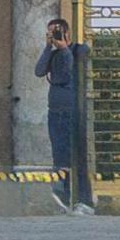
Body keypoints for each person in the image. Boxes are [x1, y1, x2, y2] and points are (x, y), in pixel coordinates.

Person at [34, 16, 93, 216]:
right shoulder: (52, 53)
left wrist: (64, 48)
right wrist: (47, 48)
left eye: (57, 32)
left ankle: (85, 201)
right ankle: (66, 200)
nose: (54, 36)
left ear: (67, 32)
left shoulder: (79, 50)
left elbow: (71, 70)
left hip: (74, 111)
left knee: (77, 157)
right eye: (51, 33)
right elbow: (39, 71)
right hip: (55, 111)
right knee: (60, 158)